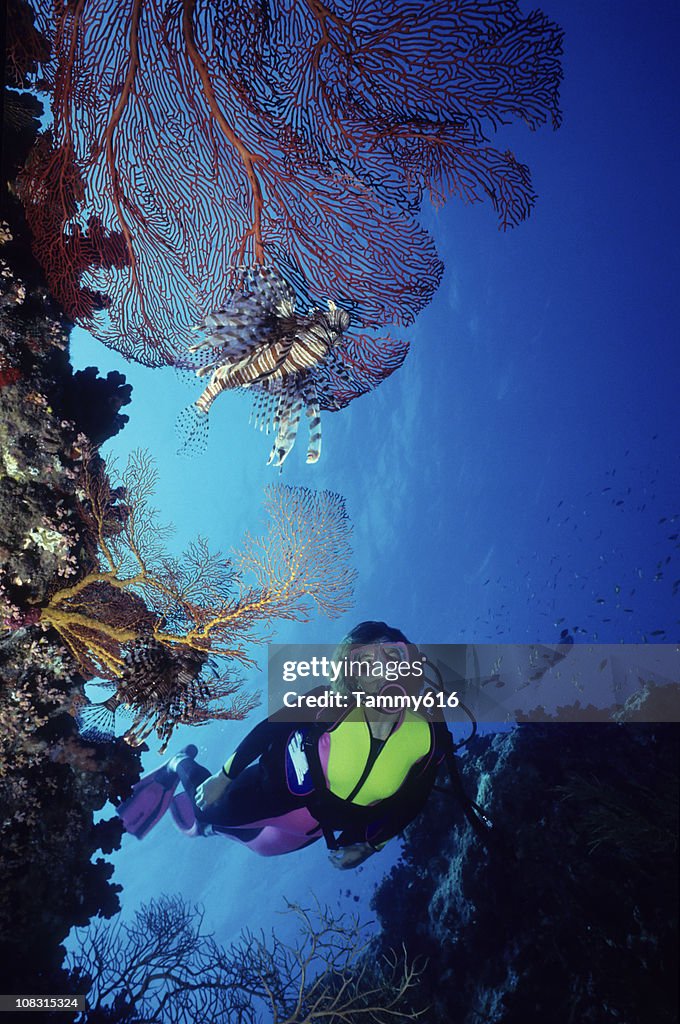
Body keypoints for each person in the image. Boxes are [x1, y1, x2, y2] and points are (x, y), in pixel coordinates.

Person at [118, 621, 476, 869]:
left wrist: (370, 845)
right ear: (349, 677)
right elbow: (270, 728)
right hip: (268, 790)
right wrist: (224, 776)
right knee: (208, 814)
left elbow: (412, 801)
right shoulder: (330, 705)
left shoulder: (428, 734)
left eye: (392, 657)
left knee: (260, 849)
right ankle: (181, 765)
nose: (382, 672)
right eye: (364, 663)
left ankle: (213, 826)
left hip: (315, 828)